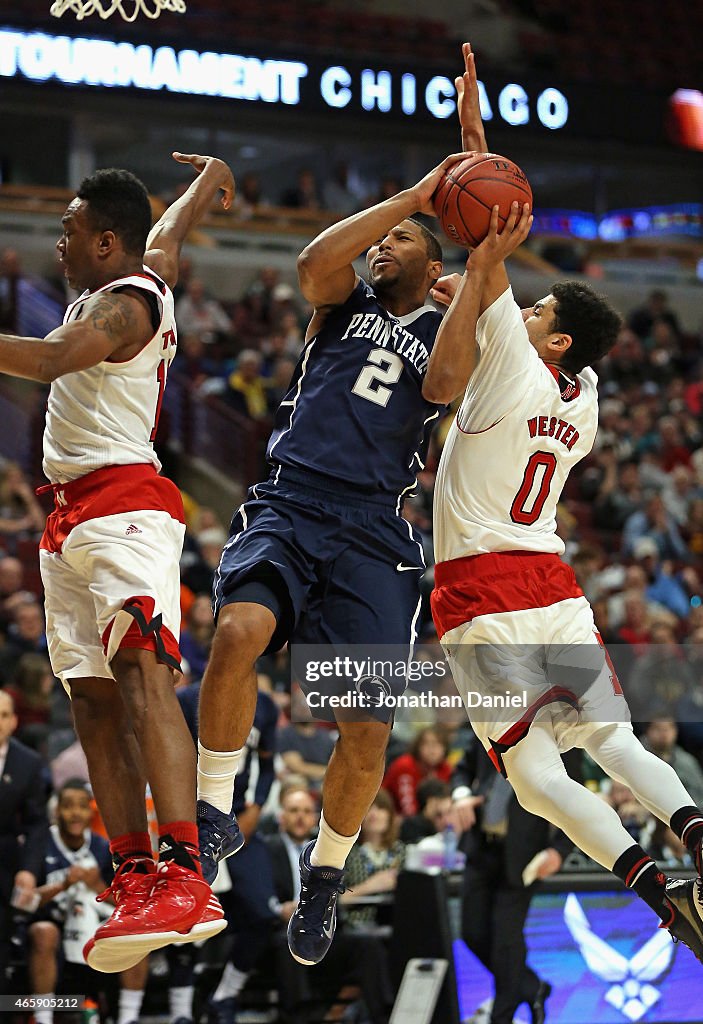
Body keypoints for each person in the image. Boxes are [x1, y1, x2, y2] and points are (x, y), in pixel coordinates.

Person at [426, 40, 703, 966]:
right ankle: (693, 832)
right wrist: (470, 293)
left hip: (481, 588)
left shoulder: (515, 353)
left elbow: (488, 211)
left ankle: (653, 889)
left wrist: (472, 127)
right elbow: (485, 272)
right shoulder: (580, 399)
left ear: (553, 340)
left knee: (535, 775)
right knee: (614, 742)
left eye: (538, 311)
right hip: (551, 581)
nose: (526, 308)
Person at [195, 148, 473, 968]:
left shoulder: (443, 325)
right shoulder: (340, 301)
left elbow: (447, 382)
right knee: (239, 630)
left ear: (433, 265)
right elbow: (315, 258)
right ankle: (215, 808)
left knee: (367, 723)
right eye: (382, 240)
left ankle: (324, 871)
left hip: (370, 530)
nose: (382, 249)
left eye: (402, 243)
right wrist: (410, 197)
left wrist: (477, 259)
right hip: (290, 498)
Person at [0, 151, 235, 972]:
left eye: (68, 230)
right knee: (92, 705)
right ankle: (135, 873)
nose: (56, 241)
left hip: (125, 509)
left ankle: (184, 872)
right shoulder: (135, 274)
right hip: (69, 520)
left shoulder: (124, 307)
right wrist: (207, 184)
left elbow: (56, 357)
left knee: (141, 679)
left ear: (104, 243)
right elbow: (165, 235)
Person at [451, 736, 576, 1024]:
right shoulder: (488, 724)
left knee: (506, 942)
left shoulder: (558, 739)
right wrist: (460, 795)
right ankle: (532, 986)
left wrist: (559, 850)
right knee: (473, 934)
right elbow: (463, 768)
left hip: (524, 856)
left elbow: (577, 798)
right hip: (481, 846)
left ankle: (502, 1017)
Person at [28, 779, 148, 1024]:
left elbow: (126, 902)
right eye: (68, 806)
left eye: (82, 806)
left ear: (90, 811)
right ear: (56, 810)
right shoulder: (40, 843)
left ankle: (129, 1017)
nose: (75, 813)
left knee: (139, 933)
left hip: (95, 925)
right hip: (54, 923)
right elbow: (24, 901)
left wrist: (98, 886)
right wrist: (63, 885)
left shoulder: (104, 847)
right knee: (44, 932)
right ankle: (42, 1018)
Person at [0, 689, 49, 990]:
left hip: (5, 865)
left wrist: (29, 870)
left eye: (4, 715)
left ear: (15, 721)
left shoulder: (28, 762)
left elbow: (36, 822)